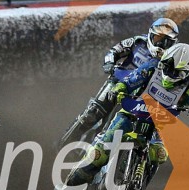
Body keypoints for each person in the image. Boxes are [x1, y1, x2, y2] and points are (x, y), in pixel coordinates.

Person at [54, 42, 189, 190]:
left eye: (176, 71)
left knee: (159, 154)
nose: (169, 73)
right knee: (99, 152)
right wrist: (119, 88)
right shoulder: (152, 67)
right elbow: (130, 80)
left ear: (188, 70)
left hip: (160, 125)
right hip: (131, 113)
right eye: (167, 66)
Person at [60, 18, 180, 147]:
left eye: (166, 42)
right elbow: (115, 50)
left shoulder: (173, 58)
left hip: (139, 95)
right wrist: (109, 64)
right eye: (158, 38)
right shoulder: (138, 41)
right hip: (117, 82)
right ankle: (63, 145)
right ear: (151, 35)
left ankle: (97, 154)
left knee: (115, 125)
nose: (161, 44)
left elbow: (176, 79)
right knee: (92, 113)